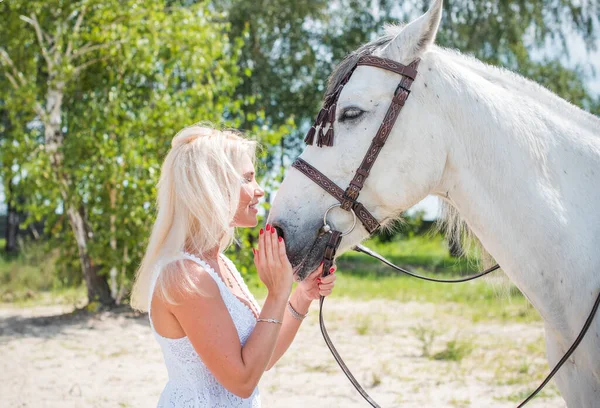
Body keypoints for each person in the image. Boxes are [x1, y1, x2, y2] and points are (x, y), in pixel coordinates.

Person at [130, 125, 337, 407]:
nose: (260, 190)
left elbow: (262, 358)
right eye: (247, 179)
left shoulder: (219, 264)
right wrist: (276, 294)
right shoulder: (185, 276)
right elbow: (242, 381)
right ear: (212, 188)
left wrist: (301, 296)